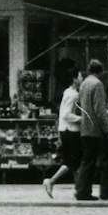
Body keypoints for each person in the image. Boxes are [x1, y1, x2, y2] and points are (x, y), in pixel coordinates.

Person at [73, 59, 108, 202]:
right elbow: (100, 111)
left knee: (88, 160)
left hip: (86, 127)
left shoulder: (84, 84)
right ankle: (107, 191)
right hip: (97, 129)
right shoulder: (98, 84)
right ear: (101, 71)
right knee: (107, 161)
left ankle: (82, 190)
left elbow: (80, 105)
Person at [40, 60, 83, 199]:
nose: (82, 79)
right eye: (80, 76)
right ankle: (51, 181)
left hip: (66, 130)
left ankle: (79, 189)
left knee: (74, 162)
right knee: (72, 162)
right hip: (71, 131)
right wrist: (82, 119)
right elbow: (66, 114)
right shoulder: (73, 95)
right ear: (74, 79)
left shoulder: (68, 92)